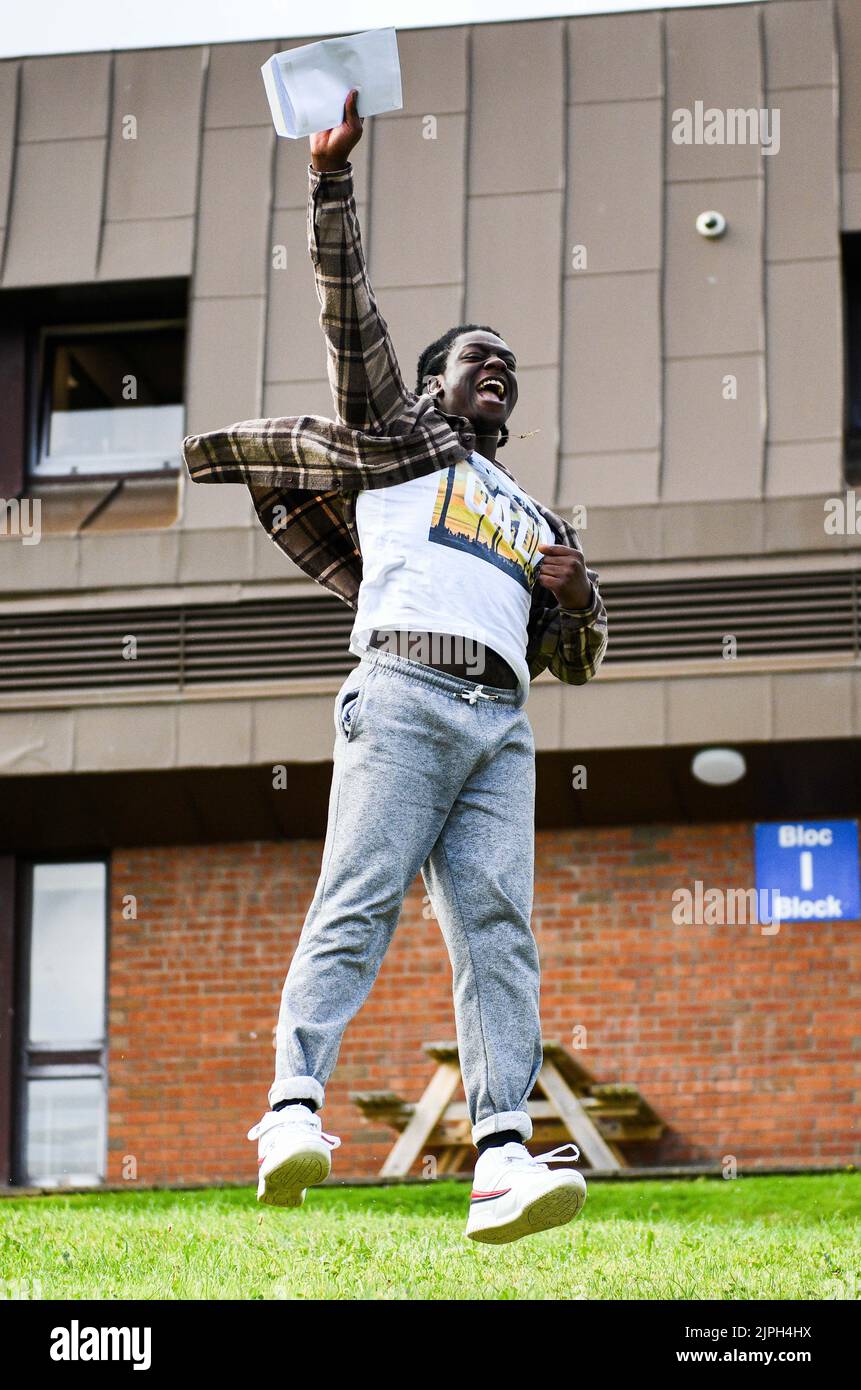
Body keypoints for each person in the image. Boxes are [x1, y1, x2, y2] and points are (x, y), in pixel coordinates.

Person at [183, 90, 608, 1243]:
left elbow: (580, 656)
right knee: (359, 895)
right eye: (482, 360)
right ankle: (290, 1109)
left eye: (512, 369)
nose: (501, 373)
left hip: (501, 722)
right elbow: (350, 318)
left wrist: (574, 597)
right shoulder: (398, 444)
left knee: (497, 929)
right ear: (431, 384)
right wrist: (331, 182)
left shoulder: (534, 511)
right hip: (406, 693)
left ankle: (504, 1156)